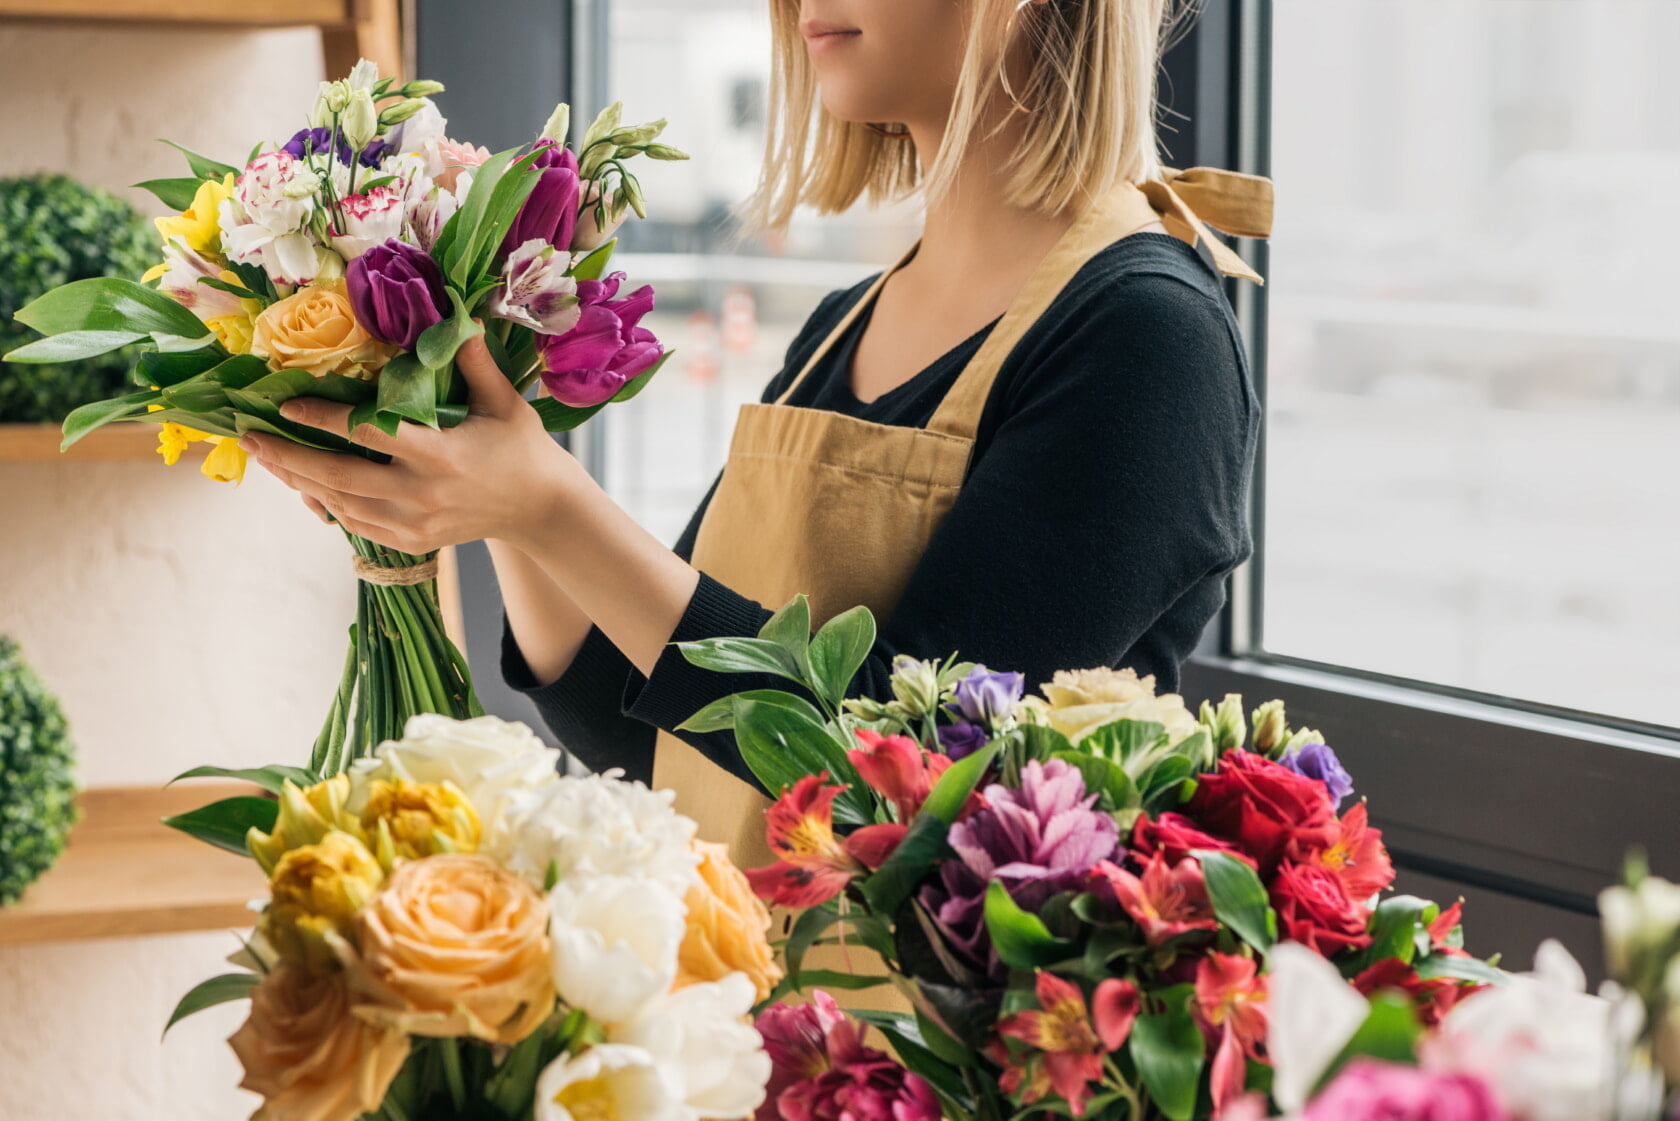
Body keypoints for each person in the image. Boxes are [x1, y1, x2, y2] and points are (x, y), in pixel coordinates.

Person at [241, 0, 1274, 864]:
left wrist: (546, 500)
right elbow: (650, 727)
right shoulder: (843, 331)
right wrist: (497, 469)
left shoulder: (1146, 337)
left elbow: (907, 778)